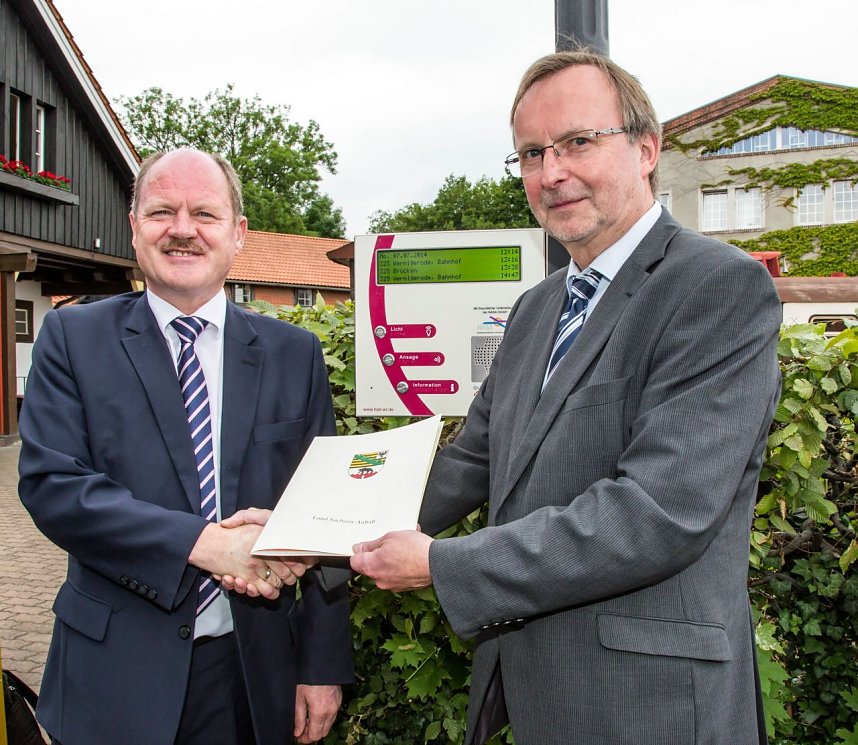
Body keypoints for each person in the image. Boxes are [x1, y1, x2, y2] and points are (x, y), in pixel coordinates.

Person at [350, 50, 781, 745]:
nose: (551, 173)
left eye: (579, 141)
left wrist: (439, 562)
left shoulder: (716, 289)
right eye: (530, 153)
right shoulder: (534, 308)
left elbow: (657, 512)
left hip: (654, 708)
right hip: (539, 691)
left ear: (647, 148)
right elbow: (472, 463)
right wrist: (313, 526)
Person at [18, 148, 353, 745]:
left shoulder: (292, 354)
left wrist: (322, 666)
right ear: (134, 226)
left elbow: (321, 514)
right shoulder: (72, 338)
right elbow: (54, 486)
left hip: (254, 676)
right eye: (161, 211)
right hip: (114, 674)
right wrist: (204, 545)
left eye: (204, 213)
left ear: (238, 234)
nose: (182, 230)